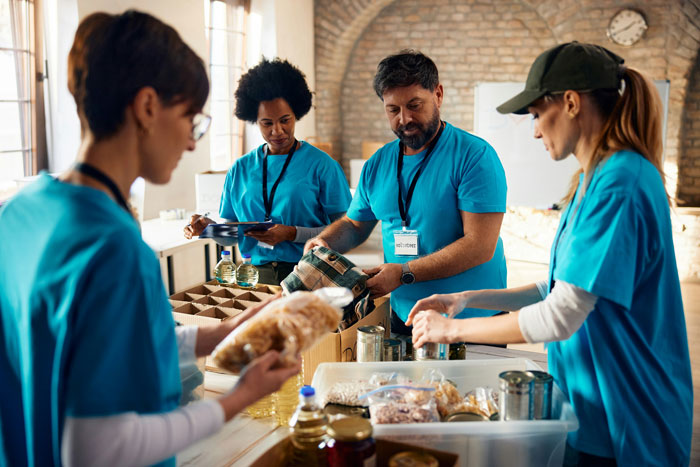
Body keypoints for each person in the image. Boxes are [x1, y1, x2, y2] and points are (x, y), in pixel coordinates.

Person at [0, 10, 299, 467]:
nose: (193, 143)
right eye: (191, 121)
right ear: (146, 108)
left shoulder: (22, 211)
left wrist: (219, 334)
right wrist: (240, 397)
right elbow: (98, 448)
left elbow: (90, 344)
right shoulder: (114, 249)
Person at [407, 42, 692, 465]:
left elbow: (560, 315)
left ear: (572, 103)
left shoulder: (621, 182)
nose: (536, 130)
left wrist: (451, 331)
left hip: (628, 408)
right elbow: (556, 286)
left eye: (539, 114)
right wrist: (465, 301)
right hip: (589, 402)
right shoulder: (590, 181)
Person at [305, 50, 508, 342]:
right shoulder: (378, 163)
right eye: (393, 110)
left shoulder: (474, 157)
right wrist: (325, 242)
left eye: (415, 105)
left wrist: (403, 272)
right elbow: (354, 224)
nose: (405, 119)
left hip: (472, 320)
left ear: (438, 94)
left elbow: (480, 246)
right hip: (406, 317)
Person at [184, 58, 352, 285]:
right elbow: (233, 236)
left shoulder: (322, 165)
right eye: (266, 123)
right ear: (254, 120)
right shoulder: (240, 169)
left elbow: (344, 234)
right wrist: (209, 229)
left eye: (285, 120)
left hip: (310, 274)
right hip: (255, 276)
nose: (277, 131)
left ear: (297, 114)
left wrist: (292, 233)